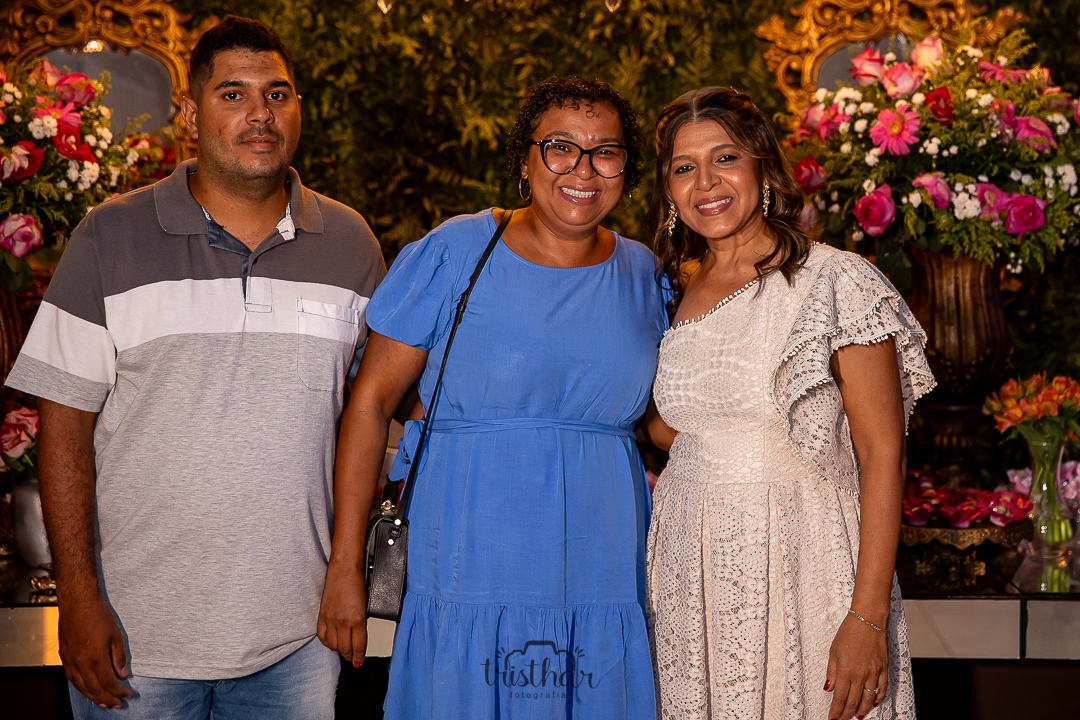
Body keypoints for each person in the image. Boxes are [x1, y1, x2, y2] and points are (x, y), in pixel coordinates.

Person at [5, 16, 385, 719]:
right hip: (135, 642)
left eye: (277, 94)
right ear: (189, 114)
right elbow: (63, 428)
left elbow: (374, 416)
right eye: (233, 94)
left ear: (298, 108)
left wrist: (347, 570)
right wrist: (78, 599)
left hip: (297, 641)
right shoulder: (109, 236)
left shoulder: (350, 244)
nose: (260, 114)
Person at [316, 76, 666, 719]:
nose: (583, 170)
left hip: (602, 563)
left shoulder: (644, 273)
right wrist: (344, 566)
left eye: (606, 152)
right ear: (524, 159)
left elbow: (666, 422)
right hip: (469, 556)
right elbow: (369, 405)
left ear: (627, 169)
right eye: (560, 147)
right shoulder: (457, 251)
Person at [639, 87, 933, 720]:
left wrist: (866, 616)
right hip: (690, 570)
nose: (706, 182)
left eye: (725, 158)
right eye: (685, 167)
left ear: (763, 166)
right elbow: (674, 429)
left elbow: (882, 452)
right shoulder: (670, 290)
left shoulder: (836, 281)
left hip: (806, 557)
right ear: (668, 189)